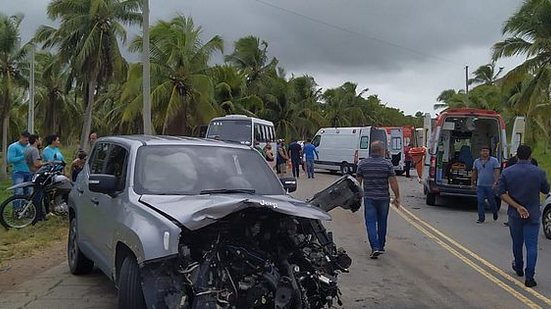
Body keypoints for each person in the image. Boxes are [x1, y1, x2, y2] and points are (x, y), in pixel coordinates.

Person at [497, 145, 549, 288]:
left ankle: (519, 267)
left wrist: (517, 206)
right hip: (532, 213)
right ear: (530, 156)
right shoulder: (539, 172)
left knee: (517, 243)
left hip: (515, 213)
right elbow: (545, 189)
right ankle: (530, 277)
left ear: (517, 157)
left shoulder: (508, 172)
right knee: (532, 246)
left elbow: (500, 192)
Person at [356, 141, 400, 259]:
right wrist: (397, 197)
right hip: (383, 198)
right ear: (381, 151)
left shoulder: (363, 164)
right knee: (382, 222)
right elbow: (393, 182)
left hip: (369, 198)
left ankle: (374, 247)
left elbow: (358, 182)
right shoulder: (387, 164)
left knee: (370, 222)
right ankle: (381, 246)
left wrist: (357, 197)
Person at [471, 146, 500, 223]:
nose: (485, 152)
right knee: (480, 201)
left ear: (489, 152)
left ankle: (495, 212)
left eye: (486, 151)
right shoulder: (476, 161)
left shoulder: (494, 161)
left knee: (491, 201)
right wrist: (473, 183)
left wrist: (496, 182)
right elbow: (474, 173)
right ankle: (481, 218)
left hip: (490, 185)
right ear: (480, 152)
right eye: (483, 151)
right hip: (480, 185)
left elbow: (497, 172)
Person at [7, 131, 31, 198]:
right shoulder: (13, 147)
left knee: (29, 192)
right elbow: (10, 159)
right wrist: (23, 157)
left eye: (28, 140)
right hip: (18, 172)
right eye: (26, 140)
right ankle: (17, 207)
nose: (27, 142)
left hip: (29, 172)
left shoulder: (29, 146)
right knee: (19, 191)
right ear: (21, 138)